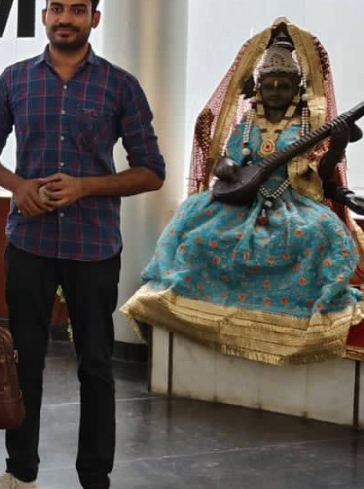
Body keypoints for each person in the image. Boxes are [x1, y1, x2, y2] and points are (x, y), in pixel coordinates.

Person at [0, 0, 165, 489]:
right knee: (23, 360)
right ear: (43, 15)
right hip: (28, 242)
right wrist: (17, 186)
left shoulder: (120, 86)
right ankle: (19, 473)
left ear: (93, 18)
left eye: (77, 10)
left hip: (93, 245)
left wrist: (86, 187)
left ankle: (96, 487)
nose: (65, 18)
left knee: (96, 365)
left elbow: (151, 171)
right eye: (56, 8)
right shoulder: (15, 80)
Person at [122, 20, 364, 363]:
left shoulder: (307, 125)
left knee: (313, 238)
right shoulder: (247, 123)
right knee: (198, 238)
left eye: (284, 85)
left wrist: (337, 147)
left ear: (297, 88)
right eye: (269, 84)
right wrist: (225, 167)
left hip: (292, 201)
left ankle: (286, 319)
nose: (276, 91)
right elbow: (231, 160)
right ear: (258, 87)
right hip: (242, 199)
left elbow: (323, 175)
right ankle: (191, 306)